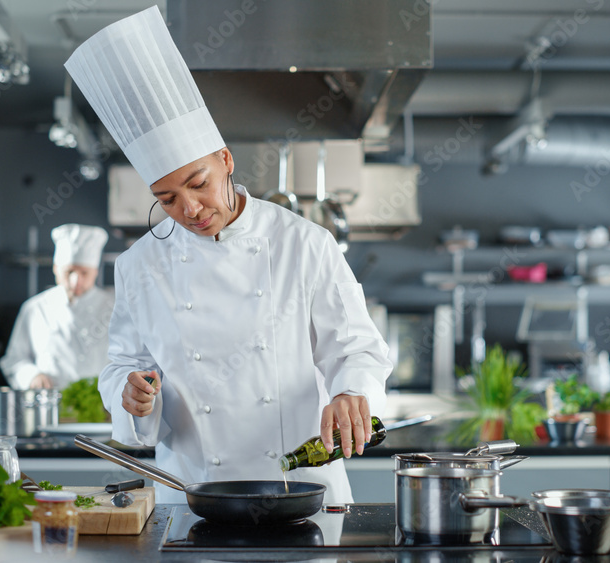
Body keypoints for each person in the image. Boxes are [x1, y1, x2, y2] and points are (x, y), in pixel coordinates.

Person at [65, 7, 392, 505]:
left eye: (198, 184)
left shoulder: (305, 243)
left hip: (303, 490)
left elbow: (356, 349)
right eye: (167, 199)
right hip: (190, 492)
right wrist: (127, 394)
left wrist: (351, 391)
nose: (190, 209)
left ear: (225, 159)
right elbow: (123, 365)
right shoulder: (138, 265)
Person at [0, 224, 113, 390]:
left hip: (102, 408)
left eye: (84, 273)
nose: (76, 281)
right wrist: (31, 376)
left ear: (95, 272)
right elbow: (14, 360)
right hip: (49, 406)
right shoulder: (34, 309)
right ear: (55, 269)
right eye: (69, 272)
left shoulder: (116, 307)